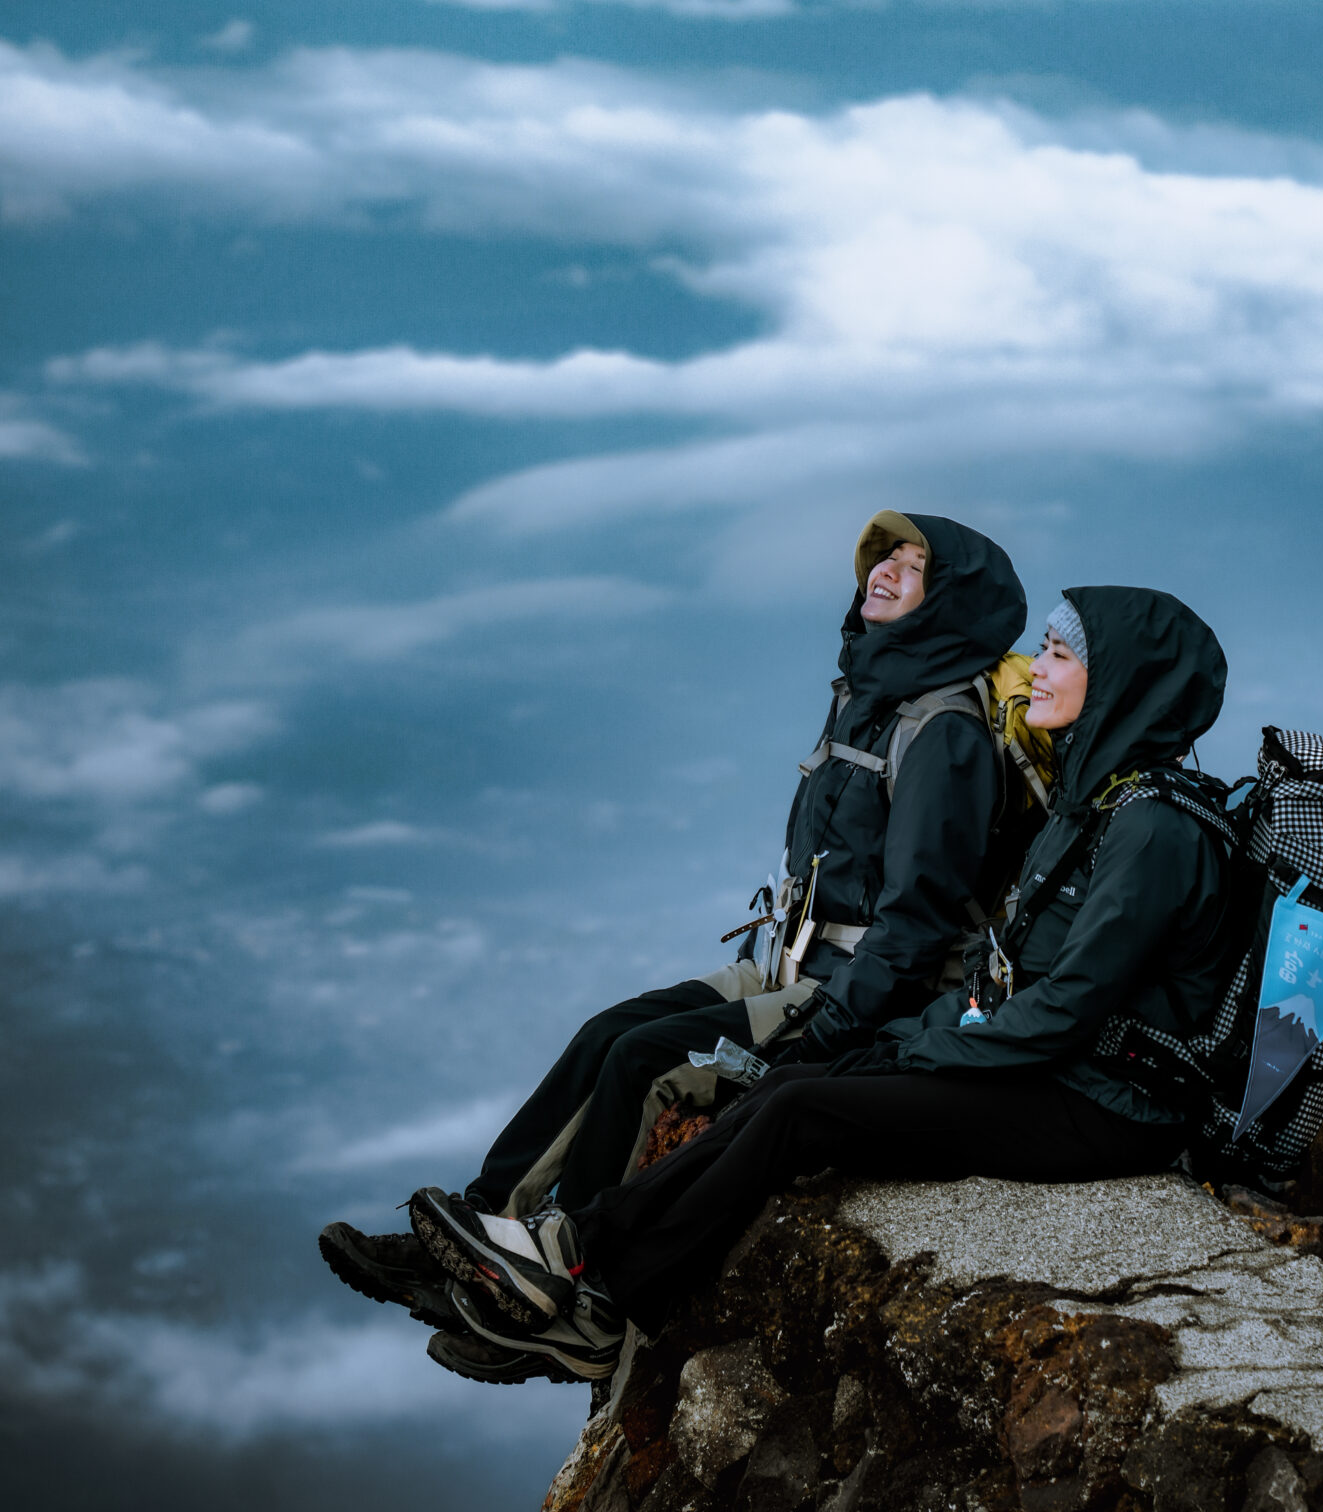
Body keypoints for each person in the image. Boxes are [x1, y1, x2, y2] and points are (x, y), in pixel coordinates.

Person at [406, 583, 1230, 1383]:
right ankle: (578, 1260)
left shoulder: (1153, 830)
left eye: (1058, 655)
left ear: (1120, 682)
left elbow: (1062, 1011)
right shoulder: (1092, 803)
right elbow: (1004, 974)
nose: (1035, 669)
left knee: (801, 1111)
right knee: (789, 1083)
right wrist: (908, 1037)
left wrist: (919, 1051)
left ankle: (592, 1291)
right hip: (1046, 1069)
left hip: (1104, 1107)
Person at [318, 508, 1026, 1365]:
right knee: (605, 1032)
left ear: (949, 601)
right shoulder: (870, 692)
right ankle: (480, 1240)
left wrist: (833, 1026)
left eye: (912, 568)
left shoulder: (942, 730)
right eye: (884, 558)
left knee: (644, 1060)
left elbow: (917, 921)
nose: (883, 573)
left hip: (854, 988)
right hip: (791, 960)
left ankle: (565, 1296)